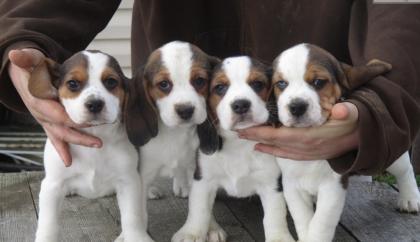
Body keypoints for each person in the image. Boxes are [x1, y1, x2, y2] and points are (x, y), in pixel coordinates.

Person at [0, 0, 419, 175]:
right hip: (180, 155)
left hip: (323, 152)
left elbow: (403, 10)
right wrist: (24, 39)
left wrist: (378, 106)